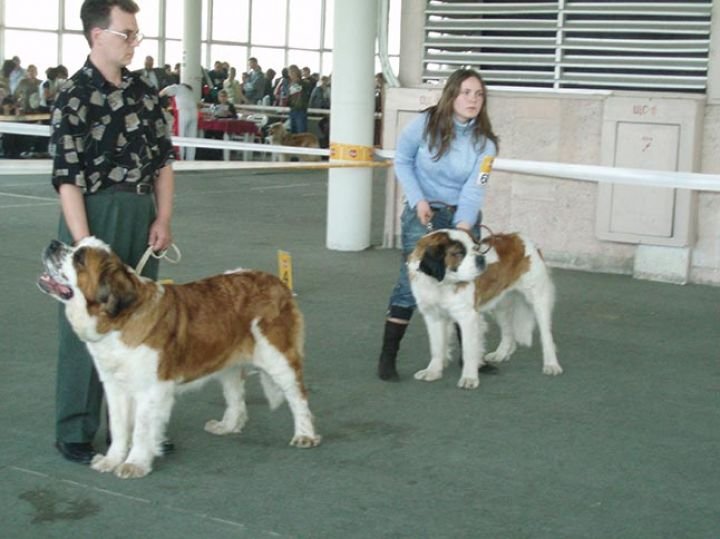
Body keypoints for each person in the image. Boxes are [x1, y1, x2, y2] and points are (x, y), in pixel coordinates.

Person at [49, 0, 176, 464]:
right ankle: (76, 428)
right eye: (127, 33)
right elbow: (67, 178)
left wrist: (162, 218)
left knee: (143, 322)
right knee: (87, 324)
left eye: (136, 33)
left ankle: (141, 428)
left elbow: (163, 161)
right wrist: (85, 244)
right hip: (93, 213)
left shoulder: (145, 91)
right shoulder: (72, 96)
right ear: (97, 35)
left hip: (141, 213)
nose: (134, 42)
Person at [376, 68, 499, 381]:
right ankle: (388, 357)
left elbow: (476, 187)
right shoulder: (423, 124)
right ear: (452, 95)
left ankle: (470, 359)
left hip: (462, 216)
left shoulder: (486, 144)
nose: (473, 100)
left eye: (479, 94)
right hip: (423, 212)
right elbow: (403, 160)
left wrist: (464, 226)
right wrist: (418, 200)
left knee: (464, 284)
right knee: (411, 283)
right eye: (466, 93)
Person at [159, 82, 198, 160]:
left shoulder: (176, 87)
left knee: (180, 137)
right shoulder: (189, 90)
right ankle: (190, 160)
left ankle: (180, 159)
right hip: (194, 113)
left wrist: (158, 96)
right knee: (192, 139)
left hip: (184, 112)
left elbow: (162, 92)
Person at [287, 64, 310, 133]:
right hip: (293, 109)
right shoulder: (290, 84)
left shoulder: (304, 83)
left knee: (301, 132)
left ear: (294, 73)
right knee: (293, 132)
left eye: (290, 73)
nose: (289, 75)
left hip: (300, 110)